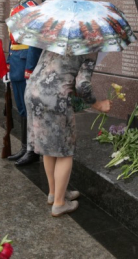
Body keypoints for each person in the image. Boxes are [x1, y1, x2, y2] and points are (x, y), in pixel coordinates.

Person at [25, 51, 111, 217]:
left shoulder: (56, 40)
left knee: (48, 146)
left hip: (33, 92)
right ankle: (59, 203)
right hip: (55, 99)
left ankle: (54, 193)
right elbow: (82, 85)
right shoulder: (88, 47)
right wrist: (99, 105)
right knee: (65, 152)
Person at [4, 0, 43, 166]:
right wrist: (8, 63)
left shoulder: (31, 9)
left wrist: (30, 68)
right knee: (21, 106)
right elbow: (12, 40)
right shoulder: (16, 8)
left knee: (29, 107)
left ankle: (32, 150)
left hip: (26, 62)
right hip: (16, 62)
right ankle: (25, 147)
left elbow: (35, 41)